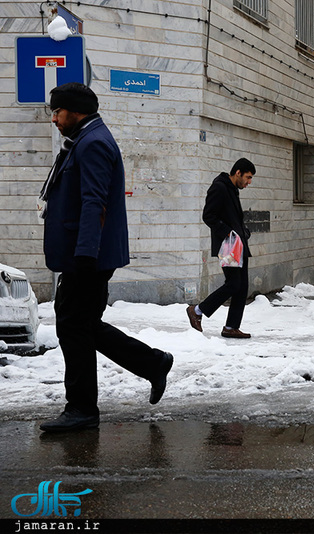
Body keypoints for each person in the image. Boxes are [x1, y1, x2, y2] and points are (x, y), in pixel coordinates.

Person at [39, 83, 173, 433]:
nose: (54, 118)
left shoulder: (93, 143)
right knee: (81, 324)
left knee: (72, 324)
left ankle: (82, 408)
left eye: (58, 111)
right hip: (86, 253)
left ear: (75, 111)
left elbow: (93, 202)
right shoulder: (85, 139)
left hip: (88, 255)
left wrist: (85, 254)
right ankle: (153, 363)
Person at [186, 158, 255, 339]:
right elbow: (208, 216)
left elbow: (233, 217)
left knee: (242, 287)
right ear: (238, 172)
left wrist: (243, 232)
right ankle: (198, 310)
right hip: (228, 246)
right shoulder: (219, 187)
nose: (249, 182)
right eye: (247, 177)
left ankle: (231, 327)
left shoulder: (232, 189)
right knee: (233, 284)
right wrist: (229, 234)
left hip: (238, 244)